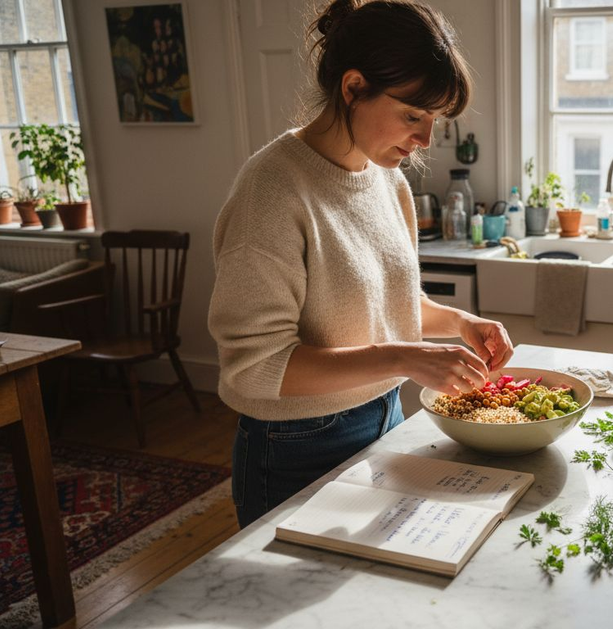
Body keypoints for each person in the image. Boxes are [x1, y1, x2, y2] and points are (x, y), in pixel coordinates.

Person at [208, 0, 512, 528]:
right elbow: (255, 367)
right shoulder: (273, 190)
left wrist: (461, 323)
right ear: (353, 88)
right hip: (295, 444)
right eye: (413, 115)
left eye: (434, 121)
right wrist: (403, 358)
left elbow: (386, 303)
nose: (424, 140)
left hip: (387, 417)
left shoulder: (388, 181)